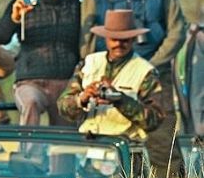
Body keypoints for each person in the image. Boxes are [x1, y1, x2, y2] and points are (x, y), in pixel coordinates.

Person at [80, 0, 188, 178]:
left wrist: (148, 67)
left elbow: (177, 31)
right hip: (109, 71)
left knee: (163, 143)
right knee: (104, 138)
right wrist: (94, 68)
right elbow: (86, 34)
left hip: (155, 69)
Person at [57, 10, 164, 143]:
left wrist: (120, 100)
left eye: (124, 40)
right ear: (106, 38)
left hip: (126, 149)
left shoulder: (146, 71)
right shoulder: (89, 63)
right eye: (114, 39)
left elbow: (155, 120)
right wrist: (82, 99)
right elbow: (62, 106)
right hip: (89, 147)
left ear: (133, 39)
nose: (119, 44)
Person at [0, 0, 80, 126]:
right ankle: (27, 149)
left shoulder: (75, 4)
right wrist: (14, 17)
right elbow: (0, 37)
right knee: (30, 103)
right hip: (31, 81)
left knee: (65, 136)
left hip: (66, 83)